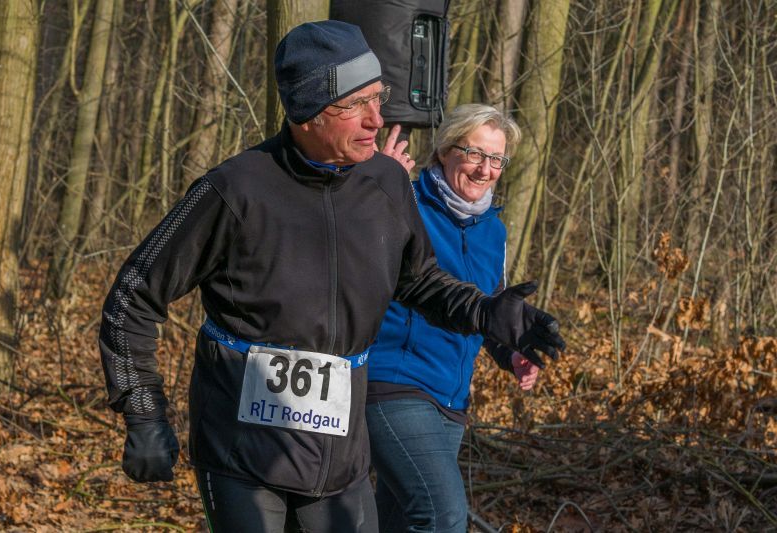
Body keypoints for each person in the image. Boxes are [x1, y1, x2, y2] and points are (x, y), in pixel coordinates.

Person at [98, 21, 565, 533]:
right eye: (355, 104)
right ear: (308, 112)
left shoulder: (386, 183)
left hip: (339, 455)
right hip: (241, 451)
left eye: (378, 98)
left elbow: (419, 281)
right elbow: (133, 297)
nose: (376, 119)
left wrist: (486, 311)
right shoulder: (234, 190)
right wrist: (142, 409)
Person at [367, 104, 546, 532]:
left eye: (497, 159)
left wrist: (511, 353)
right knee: (443, 515)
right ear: (446, 150)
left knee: (399, 523)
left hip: (451, 399)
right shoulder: (405, 200)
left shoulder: (495, 232)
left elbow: (489, 310)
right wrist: (375, 187)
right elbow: (353, 251)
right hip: (392, 383)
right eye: (475, 154)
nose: (486, 169)